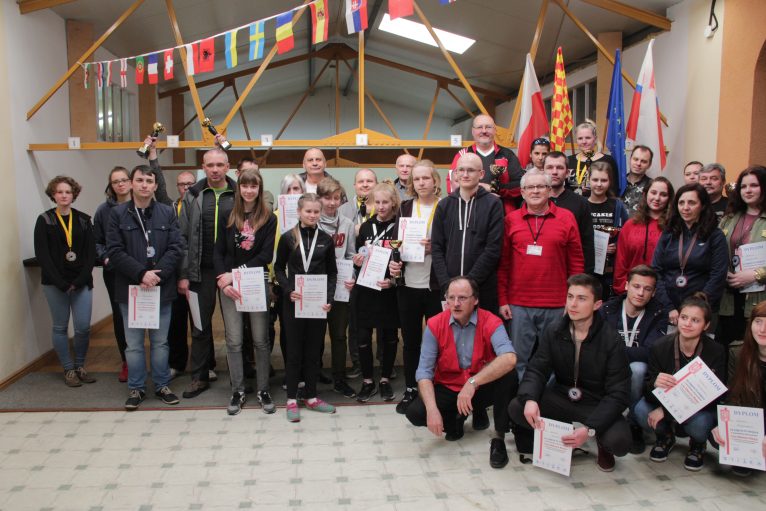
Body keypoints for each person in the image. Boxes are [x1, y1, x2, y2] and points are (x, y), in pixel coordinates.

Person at [508, 274, 632, 472]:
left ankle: (598, 439)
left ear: (597, 304)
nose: (573, 304)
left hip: (595, 402)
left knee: (620, 441)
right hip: (562, 395)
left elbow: (619, 393)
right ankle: (563, 435)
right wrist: (530, 398)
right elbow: (537, 369)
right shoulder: (554, 330)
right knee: (518, 407)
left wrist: (590, 429)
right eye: (570, 296)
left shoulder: (611, 340)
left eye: (581, 298)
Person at [405, 277, 517, 469]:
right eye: (451, 298)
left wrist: (473, 382)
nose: (456, 303)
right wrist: (432, 410)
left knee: (509, 375)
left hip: (480, 386)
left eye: (463, 298)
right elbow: (424, 371)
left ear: (475, 300)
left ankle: (498, 438)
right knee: (416, 413)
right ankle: (455, 421)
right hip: (450, 386)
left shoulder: (491, 321)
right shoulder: (434, 324)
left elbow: (510, 358)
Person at [106, 164, 185, 410]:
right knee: (134, 344)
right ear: (131, 183)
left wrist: (156, 275)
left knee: (161, 342)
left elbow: (176, 247)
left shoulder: (167, 212)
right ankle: (136, 388)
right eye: (139, 180)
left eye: (149, 181)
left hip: (160, 288)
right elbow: (114, 250)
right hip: (131, 289)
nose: (144, 185)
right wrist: (140, 273)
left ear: (155, 185)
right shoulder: (117, 214)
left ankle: (162, 385)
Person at [497, 169, 584, 379]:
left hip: (557, 304)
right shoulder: (511, 220)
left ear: (549, 190)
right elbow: (503, 264)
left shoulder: (567, 218)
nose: (535, 191)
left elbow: (576, 263)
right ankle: (522, 398)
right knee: (518, 360)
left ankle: (547, 398)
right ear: (522, 192)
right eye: (530, 187)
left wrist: (573, 300)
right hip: (519, 305)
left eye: (540, 187)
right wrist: (503, 300)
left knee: (554, 360)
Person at [633, 293, 725, 471]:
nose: (687, 324)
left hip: (698, 409)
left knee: (700, 425)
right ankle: (665, 437)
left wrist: (666, 412)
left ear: (706, 325)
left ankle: (697, 444)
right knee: (641, 410)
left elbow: (714, 397)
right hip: (666, 403)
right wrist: (654, 384)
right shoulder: (660, 346)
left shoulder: (715, 351)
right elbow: (647, 393)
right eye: (684, 317)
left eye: (695, 320)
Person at [214, 167, 277, 415]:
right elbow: (218, 251)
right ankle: (238, 390)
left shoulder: (268, 217)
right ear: (238, 188)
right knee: (234, 340)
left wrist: (235, 274)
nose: (249, 190)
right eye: (245, 186)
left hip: (255, 283)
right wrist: (225, 281)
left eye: (254, 186)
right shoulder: (228, 214)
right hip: (229, 286)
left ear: (259, 189)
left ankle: (263, 389)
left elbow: (265, 255)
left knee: (260, 340)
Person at [178, 148, 237, 398]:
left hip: (231, 272)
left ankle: (239, 378)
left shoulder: (238, 194)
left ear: (227, 167)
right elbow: (182, 237)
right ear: (203, 167)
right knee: (200, 326)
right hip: (200, 271)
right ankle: (199, 377)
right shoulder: (192, 195)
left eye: (219, 165)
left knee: (236, 328)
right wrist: (184, 273)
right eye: (210, 165)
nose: (215, 169)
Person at [274, 193, 338, 422]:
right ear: (299, 212)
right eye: (308, 211)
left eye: (316, 211)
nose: (312, 215)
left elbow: (332, 272)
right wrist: (288, 289)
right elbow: (278, 268)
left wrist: (329, 298)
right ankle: (292, 399)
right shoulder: (288, 238)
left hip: (317, 304)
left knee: (313, 351)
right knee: (294, 352)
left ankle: (311, 396)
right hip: (294, 302)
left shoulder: (326, 239)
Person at [388, 160, 444, 414]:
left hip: (436, 286)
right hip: (408, 284)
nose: (421, 183)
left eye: (426, 178)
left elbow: (453, 243)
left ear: (435, 180)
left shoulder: (445, 206)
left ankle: (437, 388)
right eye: (417, 179)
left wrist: (436, 247)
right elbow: (396, 243)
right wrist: (394, 263)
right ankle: (411, 388)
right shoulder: (405, 207)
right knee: (411, 341)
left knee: (439, 341)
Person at [34, 176, 96, 388]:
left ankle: (80, 366)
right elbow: (42, 255)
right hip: (55, 284)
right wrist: (61, 283)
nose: (63, 195)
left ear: (73, 194)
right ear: (53, 195)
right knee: (60, 327)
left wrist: (78, 281)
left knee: (83, 328)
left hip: (81, 283)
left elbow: (90, 254)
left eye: (68, 192)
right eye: (59, 192)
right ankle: (68, 369)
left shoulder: (84, 220)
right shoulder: (45, 220)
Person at [599, 265, 669, 454]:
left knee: (638, 369)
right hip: (607, 367)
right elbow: (598, 346)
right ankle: (607, 419)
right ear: (626, 285)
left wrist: (615, 351)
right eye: (636, 286)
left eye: (647, 289)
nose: (640, 293)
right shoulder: (608, 309)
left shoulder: (659, 313)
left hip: (638, 372)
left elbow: (651, 352)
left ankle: (633, 425)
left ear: (653, 292)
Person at [432, 153, 504, 314]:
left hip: (482, 287)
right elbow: (436, 248)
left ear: (481, 174)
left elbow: (493, 249)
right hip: (449, 289)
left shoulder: (494, 204)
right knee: (451, 330)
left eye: (470, 170)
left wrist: (469, 284)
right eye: (461, 170)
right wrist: (446, 284)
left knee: (481, 330)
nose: (465, 174)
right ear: (455, 174)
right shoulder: (444, 205)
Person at [652, 183, 728, 327]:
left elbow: (718, 275)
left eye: (691, 203)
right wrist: (668, 306)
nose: (685, 208)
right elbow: (656, 270)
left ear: (703, 206)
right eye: (681, 203)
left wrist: (696, 308)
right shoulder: (668, 233)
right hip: (668, 309)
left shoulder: (715, 236)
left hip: (700, 311)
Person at [352, 183, 401, 402]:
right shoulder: (365, 227)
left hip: (388, 290)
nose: (381, 207)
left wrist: (393, 281)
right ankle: (367, 380)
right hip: (365, 289)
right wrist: (356, 262)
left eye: (385, 202)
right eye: (377, 202)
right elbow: (358, 255)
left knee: (389, 336)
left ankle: (385, 379)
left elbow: (405, 259)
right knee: (363, 336)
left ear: (393, 203)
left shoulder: (399, 227)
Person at [712, 300, 766, 476]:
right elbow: (733, 395)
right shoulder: (738, 353)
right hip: (752, 422)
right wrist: (726, 425)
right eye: (758, 322)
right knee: (717, 440)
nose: (762, 329)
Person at [316, 177, 357, 399]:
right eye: (327, 198)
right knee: (314, 335)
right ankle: (312, 375)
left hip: (340, 286)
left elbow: (350, 254)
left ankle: (339, 378)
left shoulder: (347, 224)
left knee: (339, 335)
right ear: (319, 199)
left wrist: (352, 276)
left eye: (336, 198)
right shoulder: (312, 222)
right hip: (316, 286)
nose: (332, 203)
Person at [717, 166, 766, 349]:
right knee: (727, 349)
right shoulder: (730, 217)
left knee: (754, 352)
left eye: (754, 185)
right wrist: (722, 272)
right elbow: (716, 251)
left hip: (760, 300)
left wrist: (756, 274)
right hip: (728, 298)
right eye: (744, 186)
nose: (748, 190)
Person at [94, 166, 132, 382]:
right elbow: (97, 241)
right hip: (115, 272)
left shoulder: (142, 205)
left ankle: (152, 360)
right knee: (120, 316)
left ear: (131, 182)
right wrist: (106, 258)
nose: (120, 184)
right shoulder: (103, 211)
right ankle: (127, 361)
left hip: (141, 272)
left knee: (146, 314)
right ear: (111, 185)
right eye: (116, 181)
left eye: (124, 179)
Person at [448, 114, 524, 213]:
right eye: (479, 127)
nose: (484, 131)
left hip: (503, 214)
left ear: (495, 130)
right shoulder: (462, 155)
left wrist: (494, 189)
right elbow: (452, 186)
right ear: (473, 131)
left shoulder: (507, 155)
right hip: (469, 212)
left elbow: (520, 186)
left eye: (488, 127)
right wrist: (480, 190)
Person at [613, 177, 674, 295]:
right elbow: (621, 262)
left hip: (663, 293)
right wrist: (622, 290)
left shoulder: (673, 227)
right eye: (653, 192)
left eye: (663, 194)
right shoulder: (630, 225)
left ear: (669, 199)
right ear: (645, 194)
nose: (657, 198)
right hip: (631, 292)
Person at [544, 151, 596, 274]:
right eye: (550, 167)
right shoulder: (533, 202)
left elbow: (587, 244)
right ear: (543, 171)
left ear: (567, 173)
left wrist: (585, 277)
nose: (554, 172)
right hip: (542, 269)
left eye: (559, 167)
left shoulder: (580, 203)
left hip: (571, 272)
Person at [167, 171, 197, 380]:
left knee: (199, 324)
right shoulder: (169, 208)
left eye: (190, 184)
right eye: (182, 184)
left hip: (197, 273)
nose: (186, 187)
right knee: (176, 323)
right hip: (174, 273)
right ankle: (177, 363)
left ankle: (205, 365)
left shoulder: (201, 206)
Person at [587, 162, 629, 299]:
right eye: (595, 180)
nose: (599, 184)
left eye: (604, 180)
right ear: (589, 180)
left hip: (610, 270)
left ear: (610, 181)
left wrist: (616, 245)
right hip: (587, 268)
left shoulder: (618, 206)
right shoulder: (582, 204)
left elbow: (627, 233)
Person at [566, 121, 618, 197]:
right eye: (580, 138)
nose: (584, 141)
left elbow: (614, 189)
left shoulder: (607, 161)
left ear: (595, 139)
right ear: (576, 140)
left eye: (588, 138)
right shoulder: (569, 160)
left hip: (599, 203)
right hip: (573, 203)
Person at [338, 168, 377, 236]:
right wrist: (351, 232)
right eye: (361, 181)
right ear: (355, 186)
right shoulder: (342, 210)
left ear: (377, 184)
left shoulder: (386, 208)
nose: (365, 185)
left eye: (369, 181)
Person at [621, 145, 654, 215]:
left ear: (649, 165)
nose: (638, 164)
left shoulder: (652, 186)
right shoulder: (618, 182)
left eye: (643, 161)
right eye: (635, 159)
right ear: (630, 160)